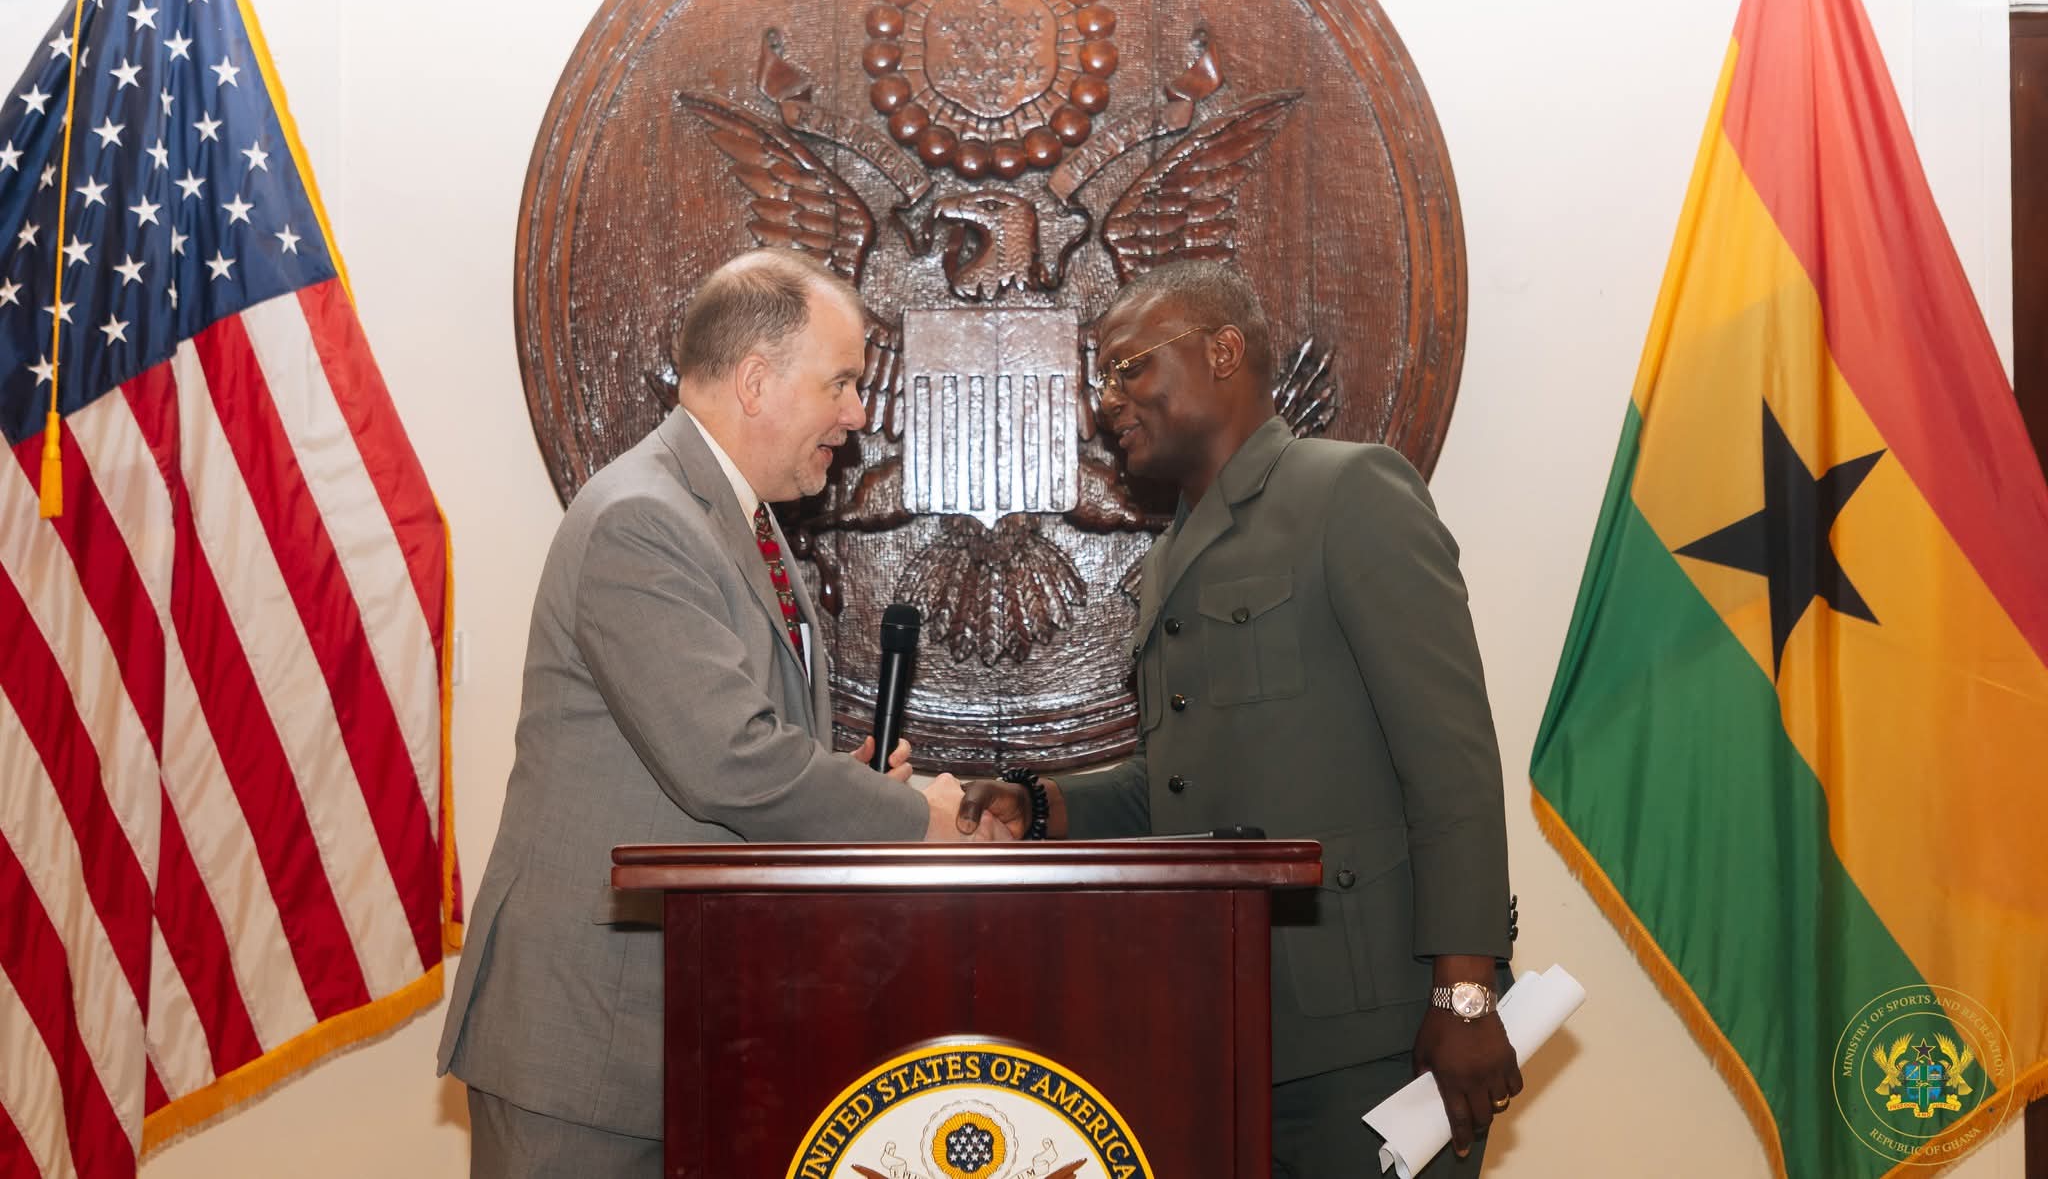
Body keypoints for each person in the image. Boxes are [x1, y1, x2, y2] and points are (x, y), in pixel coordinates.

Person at [439, 249, 1000, 1177]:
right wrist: (912, 818)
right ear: (755, 381)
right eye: (841, 383)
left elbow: (733, 744)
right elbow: (730, 762)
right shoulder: (642, 518)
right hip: (590, 1043)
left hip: (685, 1022)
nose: (857, 415)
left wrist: (839, 785)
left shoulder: (740, 518)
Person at [958, 260, 1518, 1175]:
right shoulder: (1174, 552)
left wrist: (1466, 992)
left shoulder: (1349, 491)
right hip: (1230, 1024)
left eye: (1129, 366)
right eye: (1101, 377)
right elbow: (1182, 783)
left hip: (1374, 1034)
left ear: (1223, 352)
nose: (1107, 399)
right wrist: (1044, 803)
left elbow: (1451, 759)